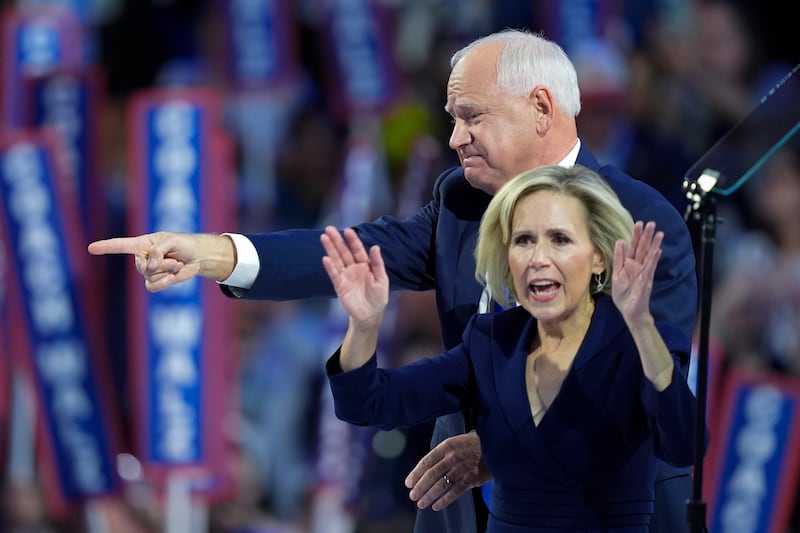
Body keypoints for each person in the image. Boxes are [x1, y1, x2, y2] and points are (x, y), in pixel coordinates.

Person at [87, 29, 698, 533]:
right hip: (460, 501)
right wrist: (213, 252)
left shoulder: (638, 220)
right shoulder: (461, 202)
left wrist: (502, 451)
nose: (455, 137)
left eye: (471, 116)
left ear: (541, 108)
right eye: (453, 118)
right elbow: (356, 253)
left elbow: (646, 400)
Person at [320, 164, 697, 531]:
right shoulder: (490, 343)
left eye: (560, 240)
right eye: (523, 240)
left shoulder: (637, 343)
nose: (538, 259)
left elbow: (681, 443)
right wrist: (365, 324)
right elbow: (368, 402)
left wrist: (641, 324)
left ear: (599, 255)